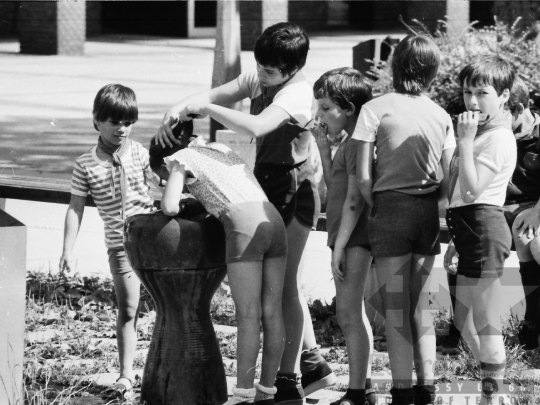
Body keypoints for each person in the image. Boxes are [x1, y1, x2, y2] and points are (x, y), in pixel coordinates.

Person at [155, 22, 335, 403]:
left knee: (286, 288)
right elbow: (209, 95)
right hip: (263, 187)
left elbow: (256, 125)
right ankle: (308, 366)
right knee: (279, 289)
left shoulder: (299, 94)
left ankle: (290, 376)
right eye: (262, 67)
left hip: (295, 191)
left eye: (271, 71)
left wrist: (207, 108)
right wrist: (175, 113)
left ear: (293, 69)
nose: (263, 76)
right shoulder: (262, 77)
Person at [149, 121, 287, 405]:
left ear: (163, 162)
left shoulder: (179, 160)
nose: (165, 180)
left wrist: (171, 188)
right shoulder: (216, 149)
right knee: (272, 312)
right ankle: (267, 391)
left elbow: (171, 205)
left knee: (249, 315)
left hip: (243, 227)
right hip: (272, 219)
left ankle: (243, 394)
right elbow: (222, 188)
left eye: (161, 176)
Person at [354, 34, 456, 405]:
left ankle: (401, 391)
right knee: (421, 306)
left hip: (390, 210)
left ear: (395, 65)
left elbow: (363, 177)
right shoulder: (441, 115)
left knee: (395, 306)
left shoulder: (374, 108)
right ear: (432, 71)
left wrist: (379, 203)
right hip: (427, 212)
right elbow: (449, 179)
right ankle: (427, 387)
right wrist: (431, 201)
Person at [59, 84, 159, 398]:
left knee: (167, 307)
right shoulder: (85, 164)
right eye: (115, 122)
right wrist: (67, 249)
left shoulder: (140, 152)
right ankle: (127, 374)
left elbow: (158, 186)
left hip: (152, 242)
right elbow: (75, 208)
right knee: (128, 310)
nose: (122, 128)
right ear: (97, 121)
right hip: (121, 247)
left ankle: (163, 367)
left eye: (128, 122)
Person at [444, 55, 516, 405]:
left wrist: (465, 141)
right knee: (465, 321)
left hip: (485, 230)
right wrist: (456, 241)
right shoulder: (483, 133)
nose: (472, 101)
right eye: (467, 91)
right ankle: (492, 387)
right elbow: (461, 195)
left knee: (485, 323)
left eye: (482, 92)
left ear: (503, 96)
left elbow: (474, 190)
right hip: (470, 230)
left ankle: (494, 396)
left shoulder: (497, 137)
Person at [312, 67, 377, 405]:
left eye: (325, 108)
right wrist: (324, 150)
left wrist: (339, 246)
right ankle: (361, 388)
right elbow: (336, 185)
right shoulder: (351, 142)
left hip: (352, 237)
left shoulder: (357, 144)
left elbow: (353, 200)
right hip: (345, 236)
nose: (318, 115)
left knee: (349, 313)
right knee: (350, 312)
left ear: (349, 108)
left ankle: (359, 391)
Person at [503, 76, 540, 351]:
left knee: (529, 237)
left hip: (533, 205)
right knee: (470, 237)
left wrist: (537, 210)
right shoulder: (496, 134)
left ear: (518, 109)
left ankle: (532, 321)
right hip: (503, 207)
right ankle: (458, 330)